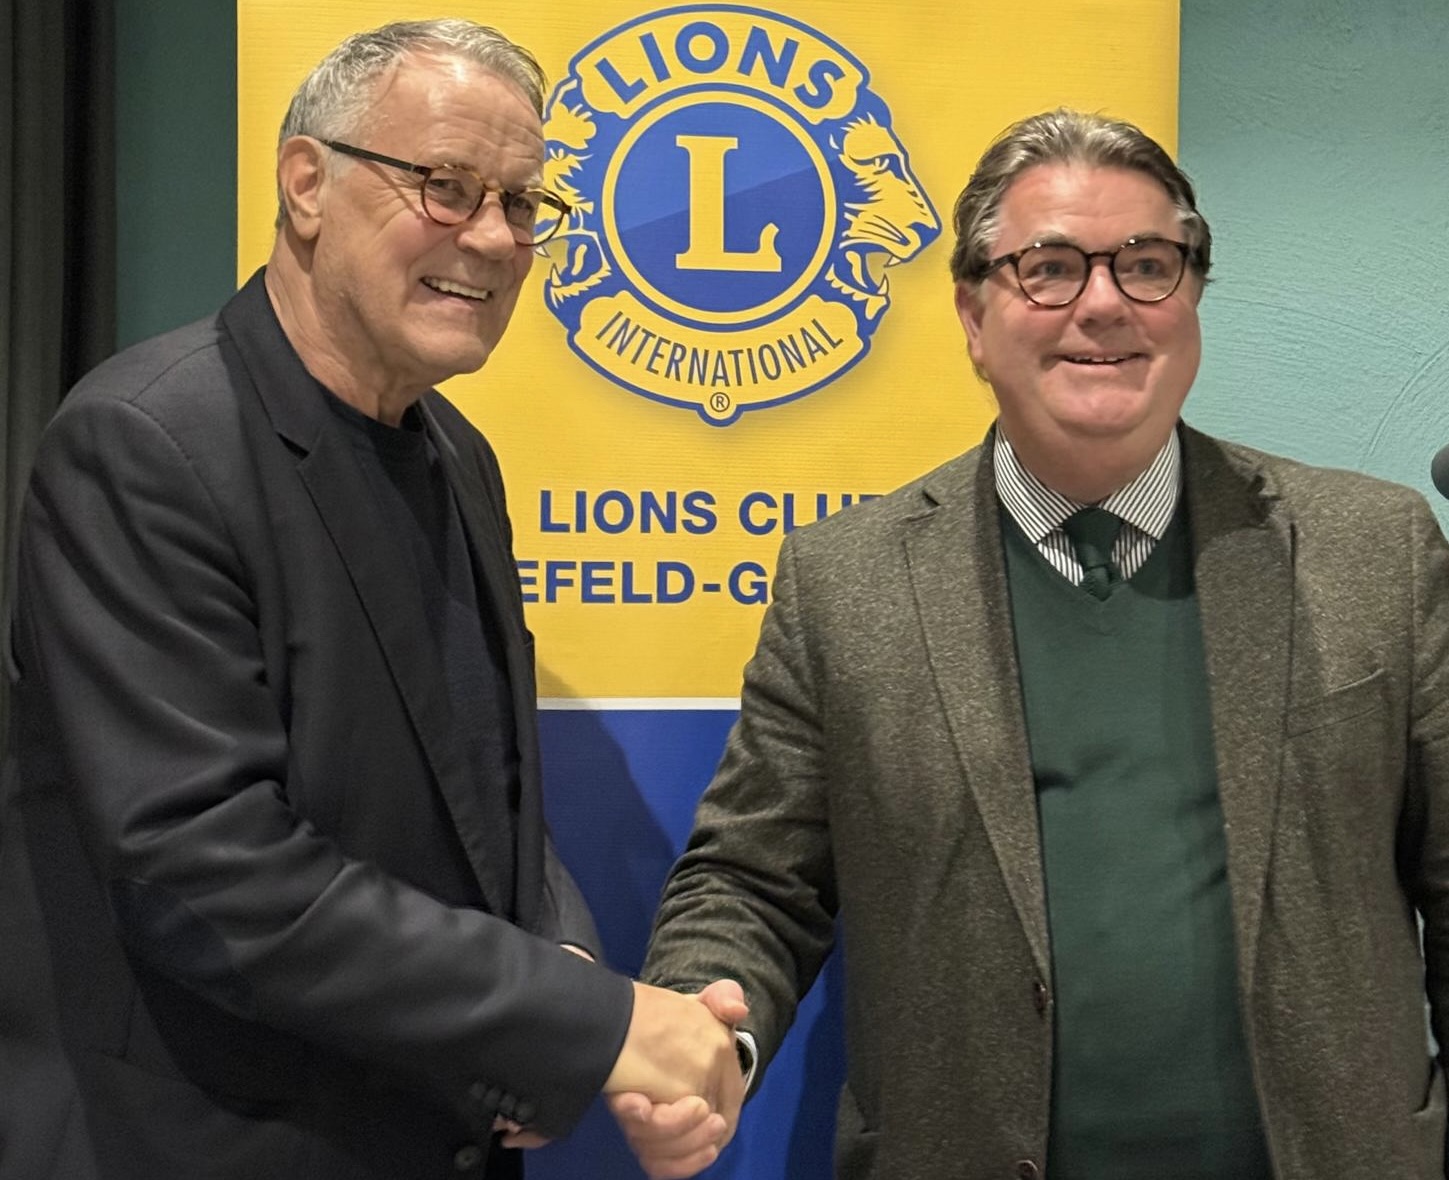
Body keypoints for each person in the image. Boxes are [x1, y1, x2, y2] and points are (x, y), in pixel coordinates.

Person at [618, 108, 1449, 1180]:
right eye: (1049, 269)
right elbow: (752, 878)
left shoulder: (1373, 550)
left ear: (1192, 297)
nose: (1102, 303)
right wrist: (703, 1033)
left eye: (1146, 265)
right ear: (973, 314)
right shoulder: (845, 583)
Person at [0, 19, 744, 1180]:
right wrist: (584, 1022)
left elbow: (485, 800)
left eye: (521, 202)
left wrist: (561, 982)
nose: (491, 237)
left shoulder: (459, 456)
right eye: (445, 186)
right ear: (307, 182)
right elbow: (209, 873)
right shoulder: (144, 443)